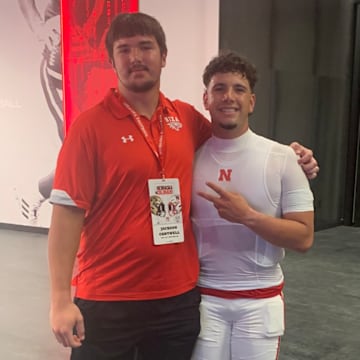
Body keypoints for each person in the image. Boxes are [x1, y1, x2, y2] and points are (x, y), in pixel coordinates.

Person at [48, 12, 318, 360]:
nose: (135, 57)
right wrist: (59, 300)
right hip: (108, 297)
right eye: (124, 49)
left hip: (177, 300)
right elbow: (67, 215)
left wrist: (292, 156)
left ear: (163, 56)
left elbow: (233, 142)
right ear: (111, 59)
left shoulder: (185, 119)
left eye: (145, 47)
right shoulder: (89, 127)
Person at [191, 51, 314, 360]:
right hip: (205, 298)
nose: (228, 97)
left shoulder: (283, 158)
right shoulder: (188, 155)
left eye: (238, 89)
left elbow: (304, 238)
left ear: (252, 102)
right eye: (219, 88)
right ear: (206, 99)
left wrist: (246, 216)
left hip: (260, 302)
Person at [17, 0, 62, 223]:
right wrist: (38, 26)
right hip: (60, 72)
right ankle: (36, 192)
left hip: (99, 71)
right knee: (79, 150)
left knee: (103, 151)